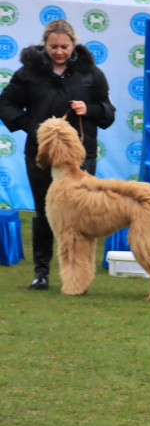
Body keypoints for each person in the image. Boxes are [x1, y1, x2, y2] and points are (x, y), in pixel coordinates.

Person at [0, 19, 116, 290]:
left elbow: (108, 112)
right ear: (45, 44)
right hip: (40, 156)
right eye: (53, 46)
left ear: (73, 44)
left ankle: (79, 275)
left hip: (81, 157)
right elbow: (5, 103)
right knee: (44, 213)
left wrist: (90, 109)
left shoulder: (91, 73)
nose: (59, 51)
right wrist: (33, 127)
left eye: (64, 46)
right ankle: (42, 272)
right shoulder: (28, 72)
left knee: (81, 216)